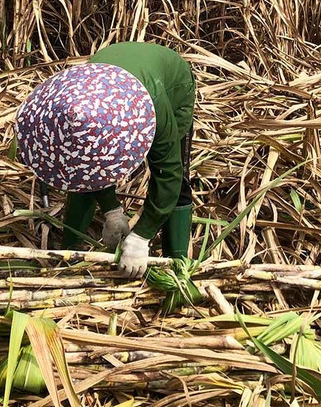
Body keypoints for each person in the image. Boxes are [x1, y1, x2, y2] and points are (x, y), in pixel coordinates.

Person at [16, 42, 195, 278]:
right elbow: (86, 168)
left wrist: (142, 236)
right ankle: (70, 256)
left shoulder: (155, 105)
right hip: (113, 67)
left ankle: (176, 266)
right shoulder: (69, 99)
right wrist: (112, 210)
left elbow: (169, 172)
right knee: (82, 175)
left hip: (171, 87)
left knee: (177, 180)